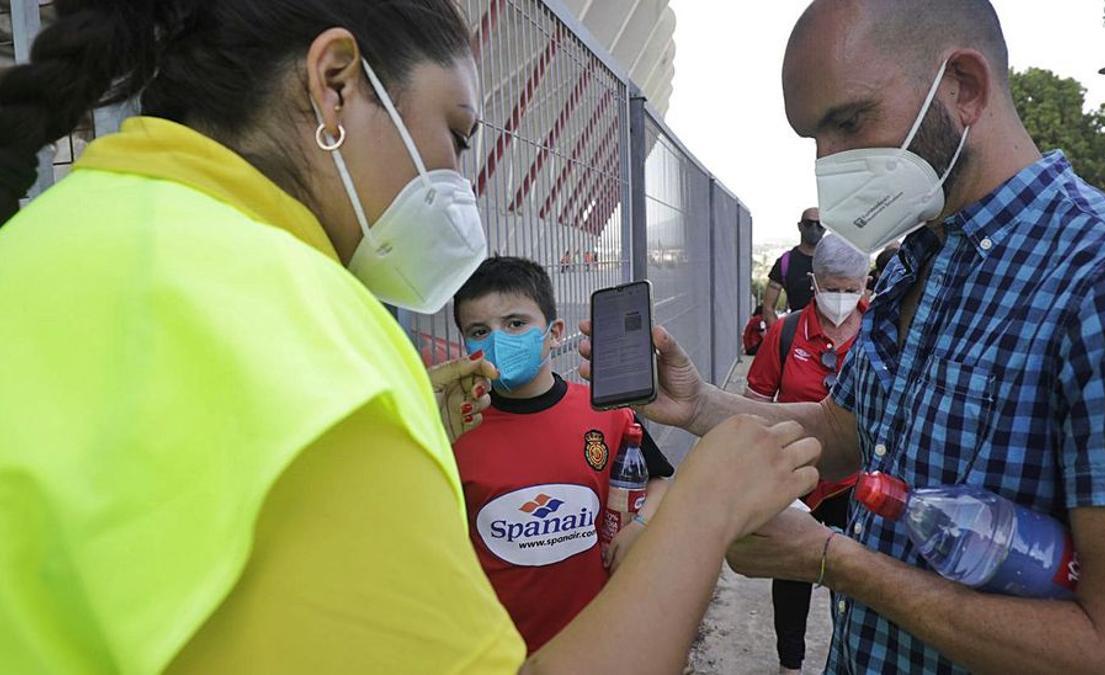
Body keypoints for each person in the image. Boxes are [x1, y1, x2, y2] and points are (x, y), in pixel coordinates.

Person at [0, 2, 822, 673]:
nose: (459, 178)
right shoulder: (321, 351)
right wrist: (706, 506)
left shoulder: (42, 242)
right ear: (334, 84)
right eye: (456, 133)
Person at [579, 1, 1105, 672]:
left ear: (964, 87)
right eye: (814, 139)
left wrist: (832, 560)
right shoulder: (917, 262)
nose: (829, 164)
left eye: (849, 122)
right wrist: (699, 403)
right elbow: (843, 429)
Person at [451, 256, 675, 652]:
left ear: (554, 333)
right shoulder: (454, 431)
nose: (498, 341)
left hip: (595, 640)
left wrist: (641, 526)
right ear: (465, 344)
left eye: (515, 323)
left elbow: (658, 479)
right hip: (498, 651)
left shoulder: (606, 411)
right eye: (479, 331)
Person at [744, 235, 869, 675]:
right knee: (792, 571)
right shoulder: (787, 332)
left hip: (857, 484)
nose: (843, 298)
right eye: (833, 288)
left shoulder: (880, 330)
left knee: (855, 579)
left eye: (852, 288)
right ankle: (790, 665)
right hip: (796, 478)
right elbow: (755, 405)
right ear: (815, 284)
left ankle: (851, 660)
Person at [763, 207, 824, 327]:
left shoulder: (834, 261)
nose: (814, 228)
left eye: (819, 224)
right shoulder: (785, 262)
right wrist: (780, 334)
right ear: (800, 226)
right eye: (808, 223)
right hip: (796, 331)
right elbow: (768, 308)